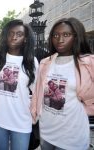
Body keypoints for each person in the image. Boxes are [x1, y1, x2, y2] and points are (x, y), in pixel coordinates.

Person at [31, 17, 94, 150]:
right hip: (46, 131)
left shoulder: (88, 63)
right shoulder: (45, 62)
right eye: (55, 35)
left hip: (72, 135)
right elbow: (38, 93)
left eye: (66, 35)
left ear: (76, 37)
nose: (60, 40)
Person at [0, 19, 39, 150]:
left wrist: (35, 112)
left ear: (25, 38)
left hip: (21, 121)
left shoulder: (31, 62)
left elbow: (38, 92)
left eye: (19, 34)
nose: (14, 37)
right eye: (11, 33)